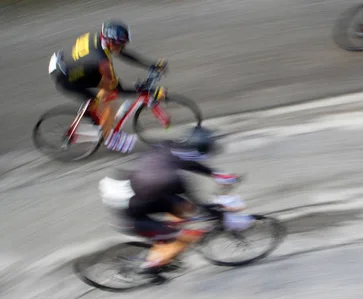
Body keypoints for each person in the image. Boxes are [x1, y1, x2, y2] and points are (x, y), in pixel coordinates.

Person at [99, 126, 240, 274]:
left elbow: (189, 163)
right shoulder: (173, 180)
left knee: (184, 208)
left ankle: (165, 233)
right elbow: (200, 205)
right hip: (132, 213)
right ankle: (151, 266)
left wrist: (216, 174)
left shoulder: (168, 146)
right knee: (184, 235)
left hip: (138, 192)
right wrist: (219, 215)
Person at [48, 19, 167, 153]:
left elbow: (123, 54)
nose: (123, 47)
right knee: (107, 104)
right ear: (111, 41)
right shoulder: (103, 62)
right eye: (121, 44)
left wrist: (150, 64)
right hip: (65, 78)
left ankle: (99, 121)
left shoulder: (102, 39)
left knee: (109, 93)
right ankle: (109, 139)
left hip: (76, 67)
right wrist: (147, 92)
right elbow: (118, 89)